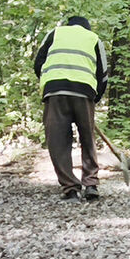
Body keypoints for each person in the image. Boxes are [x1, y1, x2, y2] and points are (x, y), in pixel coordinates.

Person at [32, 14, 108, 201]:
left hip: (55, 91)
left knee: (58, 141)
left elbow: (38, 63)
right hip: (84, 92)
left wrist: (48, 81)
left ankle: (70, 188)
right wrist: (94, 98)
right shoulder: (94, 39)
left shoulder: (54, 33)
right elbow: (103, 74)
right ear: (87, 28)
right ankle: (90, 185)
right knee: (87, 138)